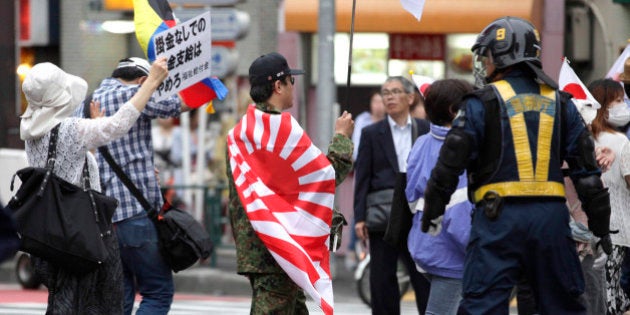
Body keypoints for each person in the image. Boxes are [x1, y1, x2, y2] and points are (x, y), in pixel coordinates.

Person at [421, 16, 613, 314]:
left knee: (482, 306)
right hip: (551, 220)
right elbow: (587, 177)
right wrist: (601, 231)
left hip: (498, 219)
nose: (484, 64)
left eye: (487, 57)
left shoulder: (479, 102)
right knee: (564, 306)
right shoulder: (562, 103)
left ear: (501, 56)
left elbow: (448, 166)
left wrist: (432, 213)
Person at [19, 59, 170, 314]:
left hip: (51, 235)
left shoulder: (33, 135)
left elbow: (72, 167)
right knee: (97, 304)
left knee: (66, 303)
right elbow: (119, 125)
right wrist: (152, 81)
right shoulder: (68, 128)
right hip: (82, 234)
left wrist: (94, 137)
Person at [226, 52, 354, 314]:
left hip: (255, 245)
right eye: (290, 81)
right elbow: (323, 177)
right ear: (278, 85)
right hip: (283, 243)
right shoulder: (281, 130)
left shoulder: (240, 132)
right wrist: (341, 137)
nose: (293, 87)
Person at [84, 57, 191, 315]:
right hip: (136, 215)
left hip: (105, 221)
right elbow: (179, 104)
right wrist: (207, 83)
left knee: (121, 298)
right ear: (144, 80)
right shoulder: (136, 93)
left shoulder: (89, 101)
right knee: (158, 292)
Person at [354, 76, 431, 315]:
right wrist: (359, 217)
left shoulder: (425, 129)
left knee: (423, 276)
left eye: (395, 91)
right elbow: (362, 177)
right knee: (382, 279)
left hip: (418, 213)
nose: (389, 96)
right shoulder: (370, 133)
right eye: (385, 92)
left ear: (410, 98)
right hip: (382, 214)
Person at [405, 79, 474, 315]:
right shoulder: (462, 148)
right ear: (455, 111)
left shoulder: (422, 142)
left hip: (425, 245)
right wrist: (481, 251)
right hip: (453, 255)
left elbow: (411, 196)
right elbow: (459, 213)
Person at [586, 78, 630, 314]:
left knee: (596, 292)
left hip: (586, 229)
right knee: (611, 294)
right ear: (603, 105)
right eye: (619, 100)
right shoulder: (621, 141)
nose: (624, 106)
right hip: (617, 230)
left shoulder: (580, 139)